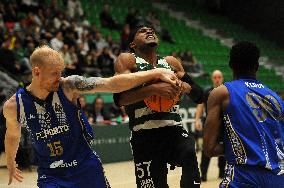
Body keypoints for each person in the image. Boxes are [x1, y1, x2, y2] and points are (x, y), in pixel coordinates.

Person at [3, 45, 178, 187]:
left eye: (61, 72)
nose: (60, 77)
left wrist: (156, 72)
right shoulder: (14, 106)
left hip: (85, 167)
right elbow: (12, 135)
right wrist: (11, 161)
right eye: (54, 73)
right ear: (36, 72)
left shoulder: (68, 87)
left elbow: (111, 84)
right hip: (51, 175)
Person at [114, 26, 203, 188]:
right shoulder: (128, 60)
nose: (149, 31)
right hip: (144, 137)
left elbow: (199, 95)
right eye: (142, 31)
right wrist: (153, 89)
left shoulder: (170, 62)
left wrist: (184, 86)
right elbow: (120, 98)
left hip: (173, 131)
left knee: (189, 152)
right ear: (133, 44)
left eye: (152, 31)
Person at [204, 41, 284, 187]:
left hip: (244, 177)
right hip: (279, 177)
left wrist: (244, 146)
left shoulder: (222, 93)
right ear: (257, 66)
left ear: (231, 65)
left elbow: (210, 148)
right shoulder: (277, 98)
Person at [195, 70, 226, 181]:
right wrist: (197, 120)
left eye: (219, 77)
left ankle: (222, 173)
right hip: (209, 125)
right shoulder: (207, 91)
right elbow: (200, 106)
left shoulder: (226, 91)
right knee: (206, 149)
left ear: (222, 78)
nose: (217, 79)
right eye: (215, 77)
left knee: (224, 148)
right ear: (212, 79)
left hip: (223, 124)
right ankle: (203, 174)